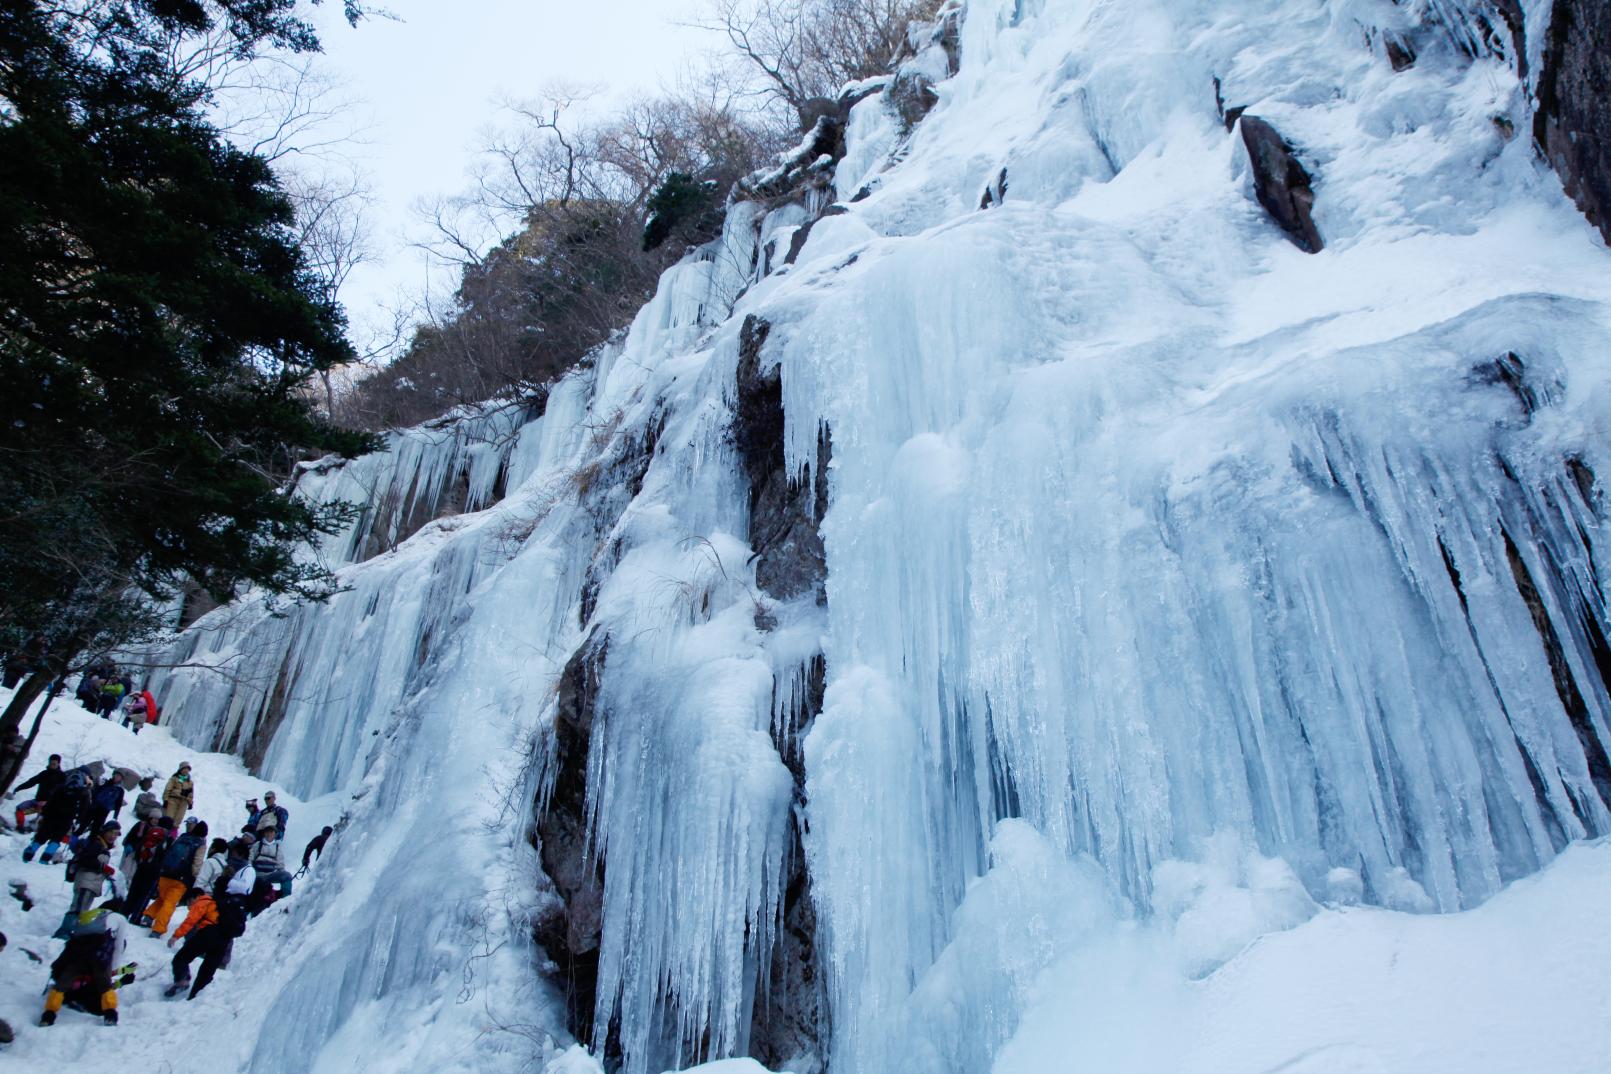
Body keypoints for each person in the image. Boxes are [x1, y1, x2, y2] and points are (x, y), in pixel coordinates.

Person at [167, 837, 254, 999]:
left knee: (181, 958)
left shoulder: (209, 900)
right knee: (208, 970)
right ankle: (195, 998)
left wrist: (175, 936)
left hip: (208, 932)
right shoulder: (235, 899)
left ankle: (182, 980)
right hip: (224, 938)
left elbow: (191, 920)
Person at [40, 905, 132, 1026]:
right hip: (97, 958)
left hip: (77, 953)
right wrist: (113, 969)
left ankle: (48, 1015)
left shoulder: (95, 915)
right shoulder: (119, 919)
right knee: (104, 986)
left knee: (63, 983)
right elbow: (118, 945)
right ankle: (110, 1015)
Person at [55, 822, 120, 939]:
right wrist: (102, 867)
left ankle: (72, 931)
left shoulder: (103, 846)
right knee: (78, 908)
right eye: (111, 832)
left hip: (92, 883)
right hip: (86, 881)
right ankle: (64, 933)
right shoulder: (96, 844)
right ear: (105, 831)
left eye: (116, 834)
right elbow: (86, 860)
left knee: (82, 909)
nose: (113, 836)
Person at [144, 820, 207, 936]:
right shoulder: (200, 844)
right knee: (170, 903)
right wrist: (195, 877)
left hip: (166, 873)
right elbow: (196, 864)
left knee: (163, 898)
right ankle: (158, 929)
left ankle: (148, 916)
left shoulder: (183, 837)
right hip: (180, 879)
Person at [22, 769, 93, 863]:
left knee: (41, 836)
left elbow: (50, 800)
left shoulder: (62, 786)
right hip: (67, 819)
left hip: (51, 815)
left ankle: (28, 855)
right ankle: (44, 860)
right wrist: (78, 821)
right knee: (56, 838)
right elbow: (84, 809)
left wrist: (44, 813)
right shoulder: (84, 792)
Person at [124, 815, 175, 924]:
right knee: (145, 893)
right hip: (154, 869)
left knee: (134, 889)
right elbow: (167, 855)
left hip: (142, 865)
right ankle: (136, 917)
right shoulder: (168, 837)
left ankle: (124, 912)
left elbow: (139, 847)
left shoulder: (150, 831)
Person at [10, 753, 64, 830]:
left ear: (58, 763)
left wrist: (47, 802)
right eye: (50, 763)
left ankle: (37, 829)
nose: (52, 765)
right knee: (20, 809)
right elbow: (31, 782)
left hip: (49, 806)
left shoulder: (62, 776)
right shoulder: (44, 773)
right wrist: (19, 788)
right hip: (36, 803)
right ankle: (20, 826)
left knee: (42, 819)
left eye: (54, 764)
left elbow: (60, 792)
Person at [248, 824, 292, 910]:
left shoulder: (277, 847)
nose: (269, 834)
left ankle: (286, 899)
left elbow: (280, 863)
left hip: (270, 875)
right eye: (267, 832)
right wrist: (250, 872)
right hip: (257, 875)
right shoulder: (258, 845)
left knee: (287, 876)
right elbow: (250, 859)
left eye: (271, 832)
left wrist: (282, 873)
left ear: (275, 834)